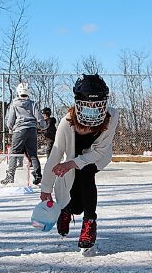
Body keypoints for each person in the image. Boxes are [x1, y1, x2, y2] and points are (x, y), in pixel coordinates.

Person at [40, 74, 119, 250]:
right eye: (87, 104)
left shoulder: (112, 116)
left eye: (96, 104)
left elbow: (99, 151)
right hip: (73, 157)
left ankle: (89, 222)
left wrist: (71, 164)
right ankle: (66, 210)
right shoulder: (66, 122)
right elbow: (55, 155)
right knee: (75, 204)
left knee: (86, 172)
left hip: (96, 157)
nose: (92, 108)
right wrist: (46, 188)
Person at [1, 82, 46, 185]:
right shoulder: (32, 103)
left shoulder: (14, 104)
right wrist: (42, 126)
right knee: (33, 154)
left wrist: (10, 128)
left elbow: (10, 120)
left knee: (14, 153)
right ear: (28, 92)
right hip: (32, 130)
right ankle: (38, 174)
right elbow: (39, 118)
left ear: (18, 92)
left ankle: (10, 176)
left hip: (19, 130)